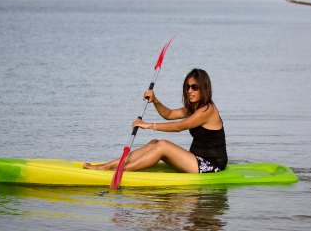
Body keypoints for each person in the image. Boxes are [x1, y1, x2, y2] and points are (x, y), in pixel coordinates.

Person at [83, 68, 228, 173]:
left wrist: (148, 125)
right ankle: (106, 166)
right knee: (154, 143)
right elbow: (169, 114)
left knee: (163, 145)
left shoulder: (208, 110)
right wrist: (155, 100)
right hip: (195, 159)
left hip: (211, 165)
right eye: (187, 87)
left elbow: (179, 126)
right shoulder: (193, 108)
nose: (189, 91)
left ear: (204, 88)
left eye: (194, 87)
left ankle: (122, 171)